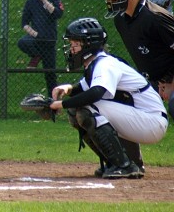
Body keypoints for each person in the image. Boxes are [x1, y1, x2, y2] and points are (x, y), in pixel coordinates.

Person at [49, 17, 168, 179]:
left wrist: (60, 104)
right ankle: (122, 162)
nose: (72, 49)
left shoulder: (105, 64)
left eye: (75, 44)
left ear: (89, 44)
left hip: (151, 121)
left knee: (87, 109)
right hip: (143, 119)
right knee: (76, 109)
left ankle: (124, 165)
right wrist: (67, 88)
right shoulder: (98, 63)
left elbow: (95, 93)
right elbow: (82, 89)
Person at [102, 0, 174, 119]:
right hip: (153, 81)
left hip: (170, 79)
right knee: (108, 103)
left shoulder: (155, 18)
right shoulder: (120, 20)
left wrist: (171, 81)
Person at [17, 0, 64, 94]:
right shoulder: (30, 3)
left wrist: (45, 1)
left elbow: (58, 14)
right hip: (37, 40)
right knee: (22, 42)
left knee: (50, 76)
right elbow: (24, 23)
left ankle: (53, 102)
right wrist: (35, 34)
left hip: (49, 42)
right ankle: (37, 55)